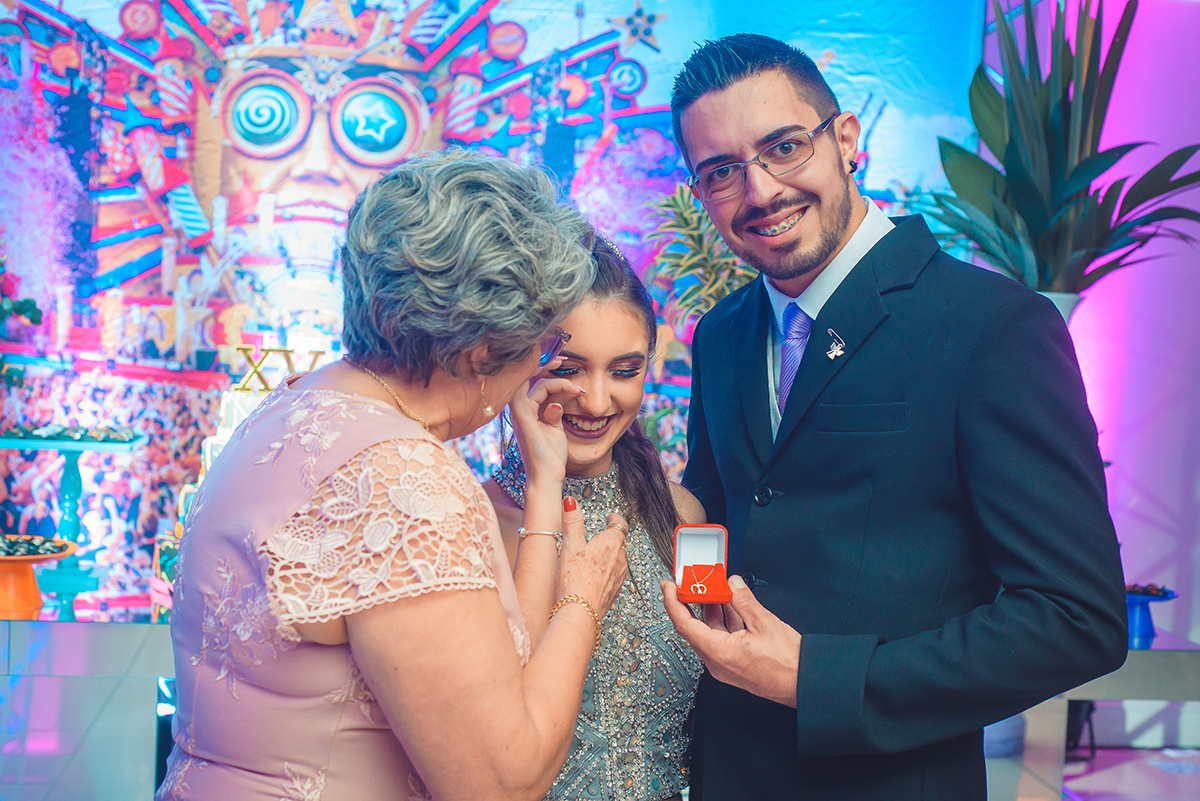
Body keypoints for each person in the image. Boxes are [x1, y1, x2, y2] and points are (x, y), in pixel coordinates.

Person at [658, 34, 1128, 800]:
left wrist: (820, 680)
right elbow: (715, 510)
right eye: (720, 172)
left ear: (845, 140)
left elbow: (1077, 617)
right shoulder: (720, 333)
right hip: (725, 770)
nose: (760, 191)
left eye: (783, 147)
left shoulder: (992, 327)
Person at [158, 149, 631, 800]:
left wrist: (544, 488)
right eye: (544, 345)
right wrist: (582, 600)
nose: (538, 370)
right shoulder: (401, 478)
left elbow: (495, 662)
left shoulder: (292, 409)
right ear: (480, 353)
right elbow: (501, 781)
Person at [484, 239, 706, 801]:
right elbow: (490, 736)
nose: (598, 399)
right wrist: (545, 483)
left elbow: (719, 688)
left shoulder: (685, 518)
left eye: (624, 370)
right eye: (569, 369)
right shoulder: (474, 522)